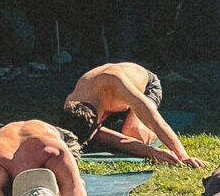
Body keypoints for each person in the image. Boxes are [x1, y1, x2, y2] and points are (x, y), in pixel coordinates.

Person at [61, 61, 202, 169]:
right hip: (112, 105)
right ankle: (117, 123)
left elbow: (156, 122)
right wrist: (150, 152)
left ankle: (124, 121)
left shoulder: (116, 85)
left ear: (98, 120)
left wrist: (182, 156)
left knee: (134, 134)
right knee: (99, 138)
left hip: (146, 86)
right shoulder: (72, 103)